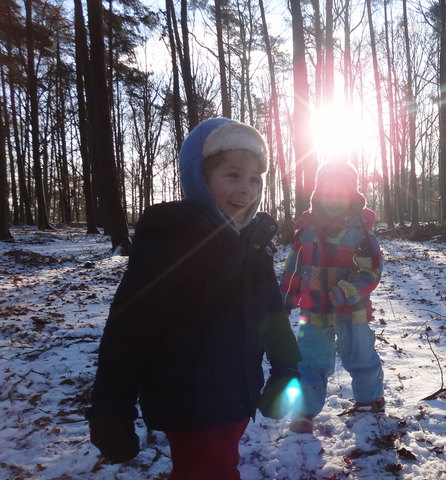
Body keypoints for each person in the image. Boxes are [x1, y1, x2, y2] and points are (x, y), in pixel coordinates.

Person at [85, 117, 301, 479]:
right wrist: (111, 407)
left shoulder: (255, 246)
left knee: (218, 462)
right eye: (232, 175)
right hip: (186, 402)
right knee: (212, 471)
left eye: (254, 179)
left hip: (238, 396)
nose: (246, 189)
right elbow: (128, 331)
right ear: (199, 179)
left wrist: (286, 369)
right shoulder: (170, 244)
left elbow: (273, 316)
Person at [280, 161, 384, 435]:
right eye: (328, 194)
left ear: (351, 197)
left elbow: (370, 270)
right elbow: (295, 267)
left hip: (352, 310)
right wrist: (286, 295)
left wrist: (346, 292)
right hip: (314, 308)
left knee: (359, 354)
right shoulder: (307, 232)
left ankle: (370, 400)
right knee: (311, 358)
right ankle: (305, 411)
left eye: (341, 195)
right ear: (318, 197)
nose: (334, 200)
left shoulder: (362, 232)